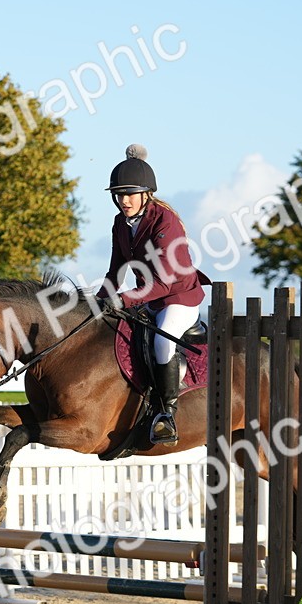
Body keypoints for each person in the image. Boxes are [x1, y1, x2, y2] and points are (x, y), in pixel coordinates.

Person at [96, 144, 209, 446]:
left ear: (146, 194)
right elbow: (116, 270)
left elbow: (163, 282)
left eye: (130, 194)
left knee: (162, 341)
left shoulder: (165, 222)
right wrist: (98, 301)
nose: (124, 200)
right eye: (119, 195)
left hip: (179, 297)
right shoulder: (121, 223)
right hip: (148, 298)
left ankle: (166, 414)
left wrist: (125, 299)